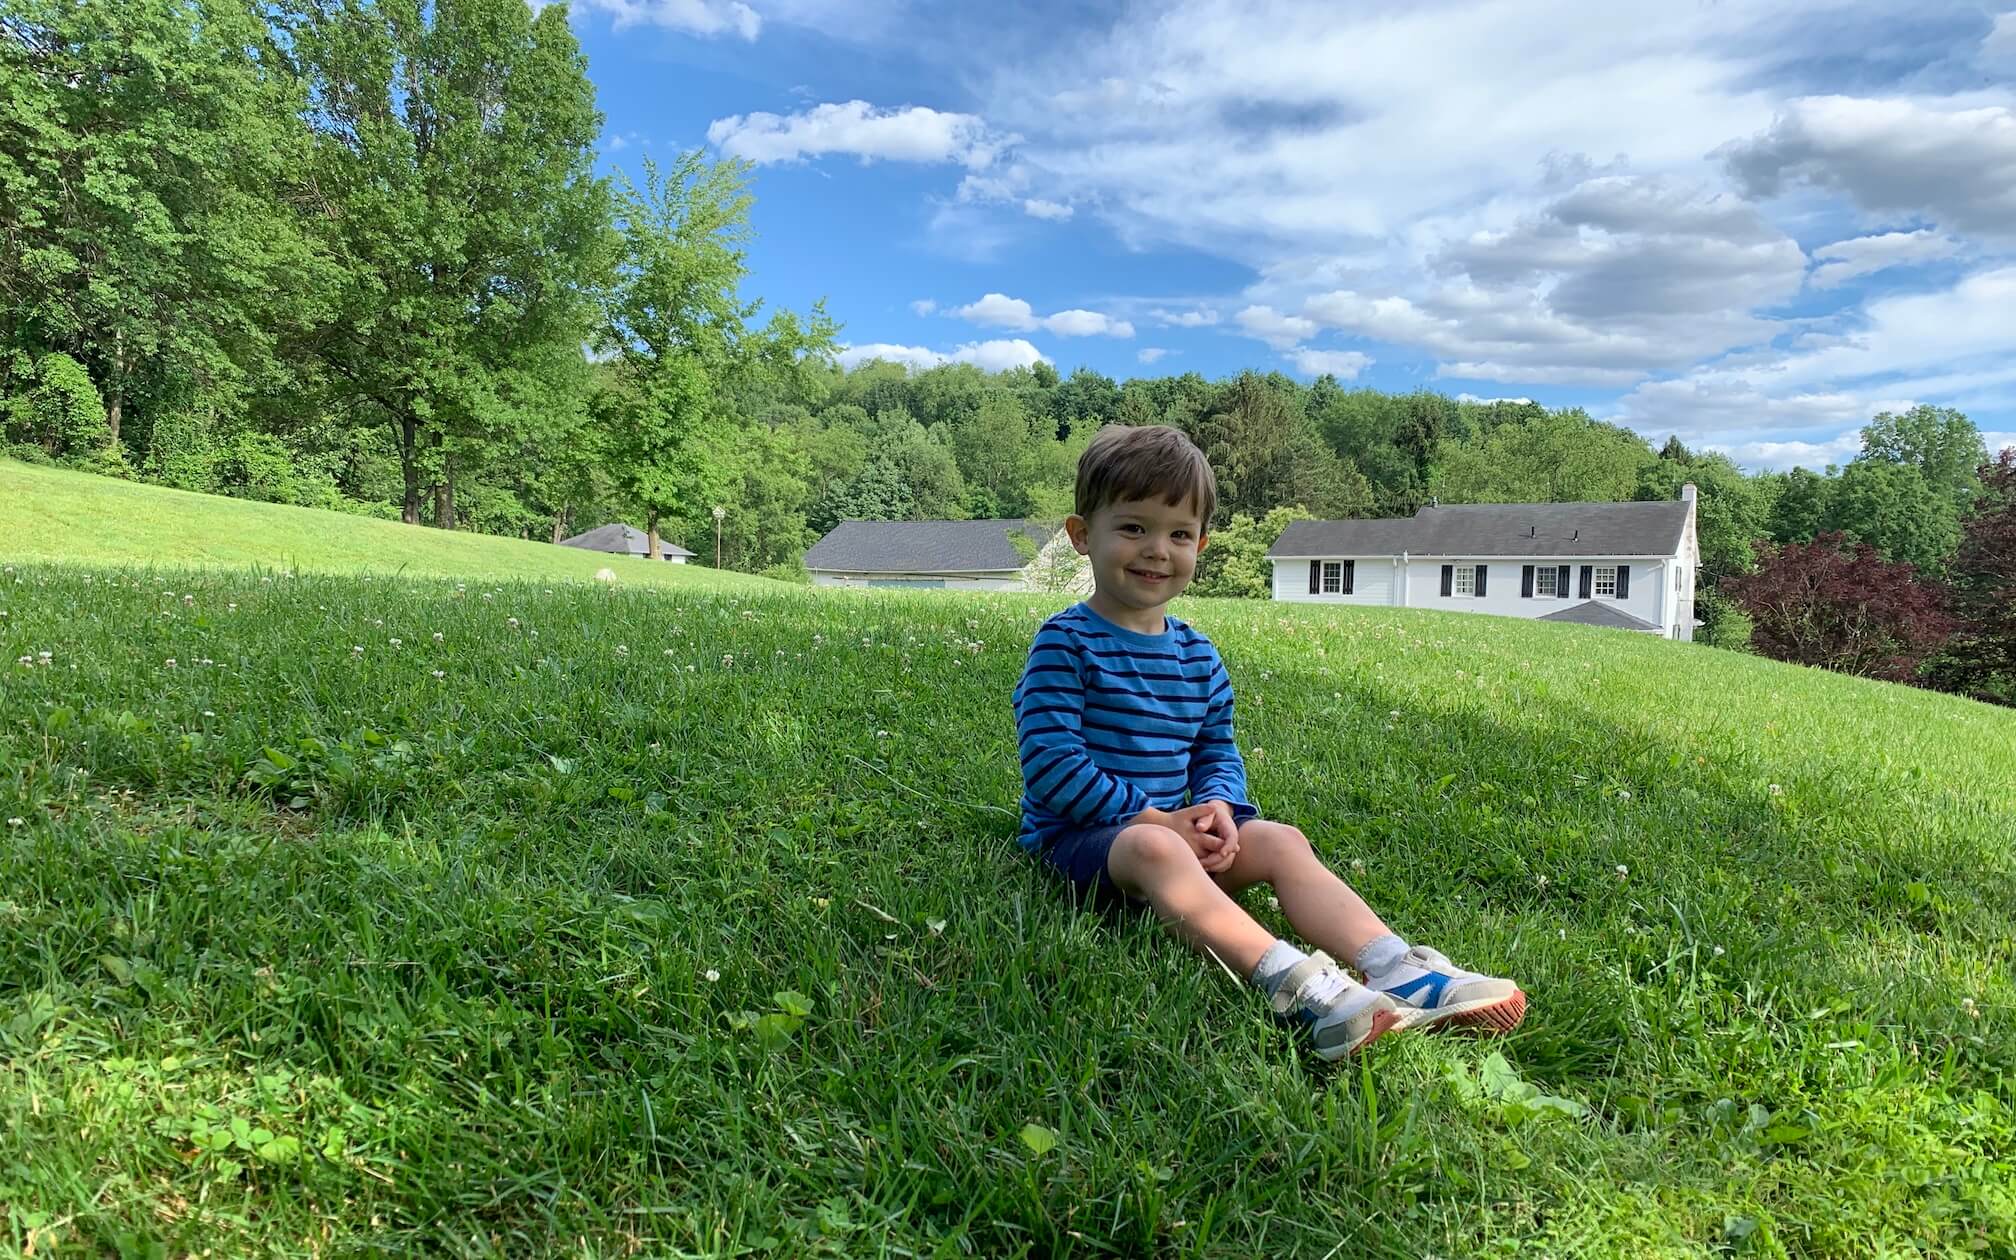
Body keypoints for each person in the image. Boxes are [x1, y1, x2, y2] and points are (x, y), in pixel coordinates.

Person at [1012, 425, 1526, 1059]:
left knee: (1280, 839)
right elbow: (1052, 763)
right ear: (1082, 535)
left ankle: (1396, 966)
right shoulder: (1066, 642)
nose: (1156, 550)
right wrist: (1158, 820)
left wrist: (1219, 810)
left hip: (1183, 831)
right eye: (1133, 527)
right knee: (1151, 848)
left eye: (1178, 534)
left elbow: (1215, 751)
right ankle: (1301, 986)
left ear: (1201, 544)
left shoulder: (1197, 654)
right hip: (1088, 844)